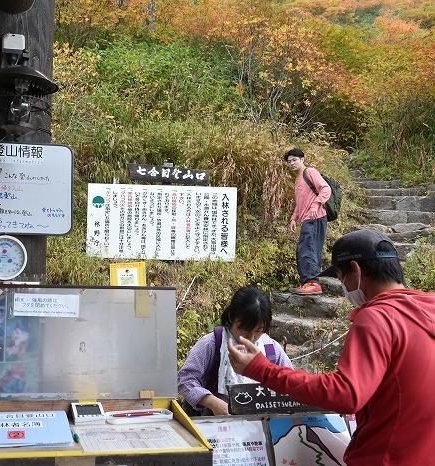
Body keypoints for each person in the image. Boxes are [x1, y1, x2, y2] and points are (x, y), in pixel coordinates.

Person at [227, 229, 435, 465]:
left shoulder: (377, 318)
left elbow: (346, 393)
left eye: (340, 277)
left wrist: (262, 370)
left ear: (355, 270)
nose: (344, 287)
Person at [178, 286, 293, 416]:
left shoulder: (271, 349)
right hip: (216, 424)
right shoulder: (211, 344)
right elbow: (185, 380)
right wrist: (213, 403)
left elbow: (291, 381)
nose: (250, 338)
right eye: (244, 329)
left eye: (258, 330)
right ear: (232, 317)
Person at [285, 147, 332, 295]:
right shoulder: (298, 179)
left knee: (308, 248)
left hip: (315, 217)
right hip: (306, 219)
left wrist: (316, 204)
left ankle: (313, 283)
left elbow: (326, 189)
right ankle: (308, 282)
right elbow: (300, 203)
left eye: (294, 160)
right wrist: (293, 218)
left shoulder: (309, 172)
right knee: (304, 249)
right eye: (289, 161)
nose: (291, 163)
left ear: (302, 160)